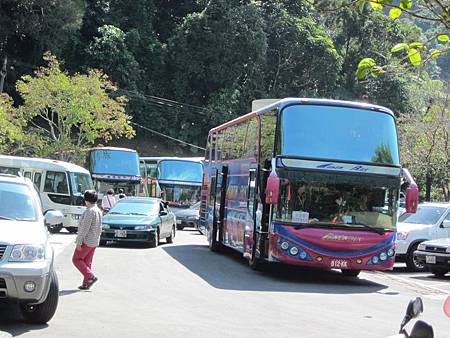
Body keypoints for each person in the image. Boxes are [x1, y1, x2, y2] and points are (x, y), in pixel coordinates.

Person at [72, 190, 102, 290]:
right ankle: (86, 283)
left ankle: (90, 276)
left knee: (76, 259)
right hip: (94, 240)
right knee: (87, 262)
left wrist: (78, 242)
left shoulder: (90, 211)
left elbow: (85, 228)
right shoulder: (98, 210)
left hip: (87, 240)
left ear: (86, 200)